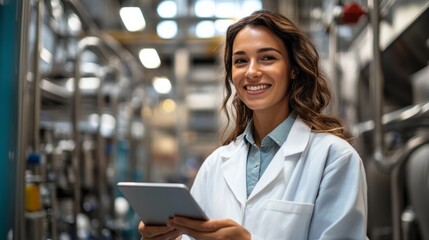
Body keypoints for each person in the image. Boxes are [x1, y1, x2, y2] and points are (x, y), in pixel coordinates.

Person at [138, 9, 368, 240]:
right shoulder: (215, 165)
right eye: (240, 61)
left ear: (293, 69)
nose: (251, 72)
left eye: (267, 58)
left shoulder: (334, 158)